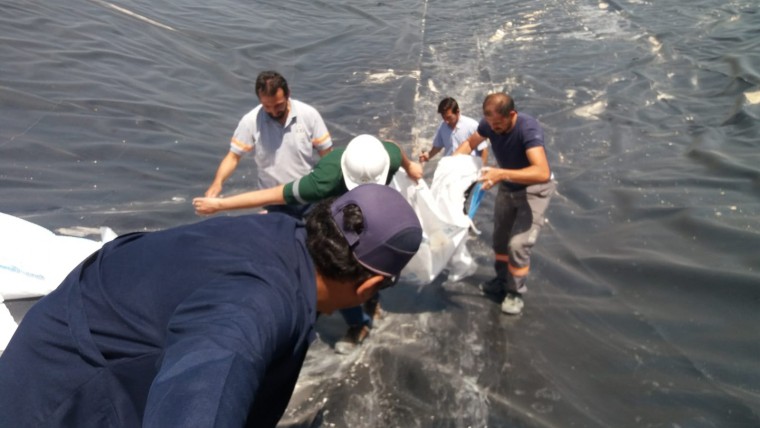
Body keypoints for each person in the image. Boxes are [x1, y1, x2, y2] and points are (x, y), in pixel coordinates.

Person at [0, 184, 422, 427]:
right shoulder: (253, 312)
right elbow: (205, 394)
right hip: (56, 404)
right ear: (371, 285)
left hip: (65, 337)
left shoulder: (280, 234)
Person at [193, 134, 424, 354]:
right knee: (337, 271)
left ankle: (366, 309)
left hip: (371, 213)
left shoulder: (386, 157)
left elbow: (394, 148)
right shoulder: (324, 181)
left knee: (358, 268)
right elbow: (275, 195)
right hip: (336, 216)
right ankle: (360, 317)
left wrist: (410, 164)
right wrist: (219, 206)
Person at [454, 92, 555, 315]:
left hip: (533, 191)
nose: (494, 129)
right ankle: (501, 281)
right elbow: (471, 142)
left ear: (512, 114)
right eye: (490, 123)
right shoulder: (489, 125)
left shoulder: (528, 129)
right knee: (500, 241)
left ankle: (515, 291)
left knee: (517, 245)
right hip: (508, 188)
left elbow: (542, 172)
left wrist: (501, 173)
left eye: (498, 124)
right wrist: (451, 165)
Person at [205, 70, 333, 216]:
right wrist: (217, 183)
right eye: (267, 106)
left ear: (288, 94)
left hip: (307, 195)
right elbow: (233, 157)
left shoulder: (309, 115)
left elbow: (327, 156)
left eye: (278, 105)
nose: (273, 111)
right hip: (273, 201)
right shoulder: (250, 122)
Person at [419, 97, 489, 165]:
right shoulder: (442, 126)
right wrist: (428, 155)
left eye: (449, 117)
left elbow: (483, 150)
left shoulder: (472, 125)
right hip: (450, 169)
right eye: (443, 118)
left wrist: (482, 171)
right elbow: (438, 146)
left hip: (469, 170)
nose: (446, 121)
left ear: (457, 112)